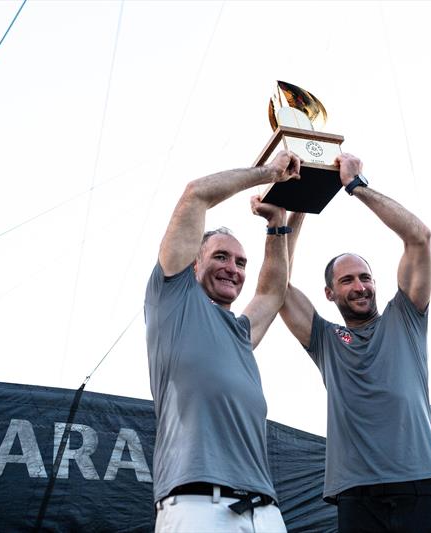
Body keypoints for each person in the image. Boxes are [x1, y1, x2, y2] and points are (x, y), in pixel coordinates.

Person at [280, 153, 431, 533]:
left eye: (365, 277)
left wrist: (357, 187)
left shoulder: (406, 315)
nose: (360, 286)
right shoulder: (325, 339)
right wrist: (299, 207)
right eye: (347, 281)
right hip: (357, 494)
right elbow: (276, 287)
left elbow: (419, 236)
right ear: (329, 293)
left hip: (424, 486)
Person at [144, 151, 301, 533]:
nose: (233, 268)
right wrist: (268, 173)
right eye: (221, 256)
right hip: (198, 506)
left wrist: (282, 218)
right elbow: (195, 194)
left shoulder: (241, 333)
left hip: (263, 510)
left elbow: (272, 292)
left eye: (241, 262)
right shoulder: (172, 300)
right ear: (194, 263)